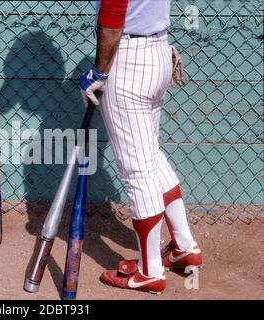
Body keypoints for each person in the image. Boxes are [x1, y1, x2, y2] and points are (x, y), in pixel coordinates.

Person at [79, 0, 202, 294]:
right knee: (149, 154)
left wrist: (99, 73)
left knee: (137, 170)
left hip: (129, 58)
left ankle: (149, 272)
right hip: (158, 49)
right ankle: (184, 246)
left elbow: (111, 18)